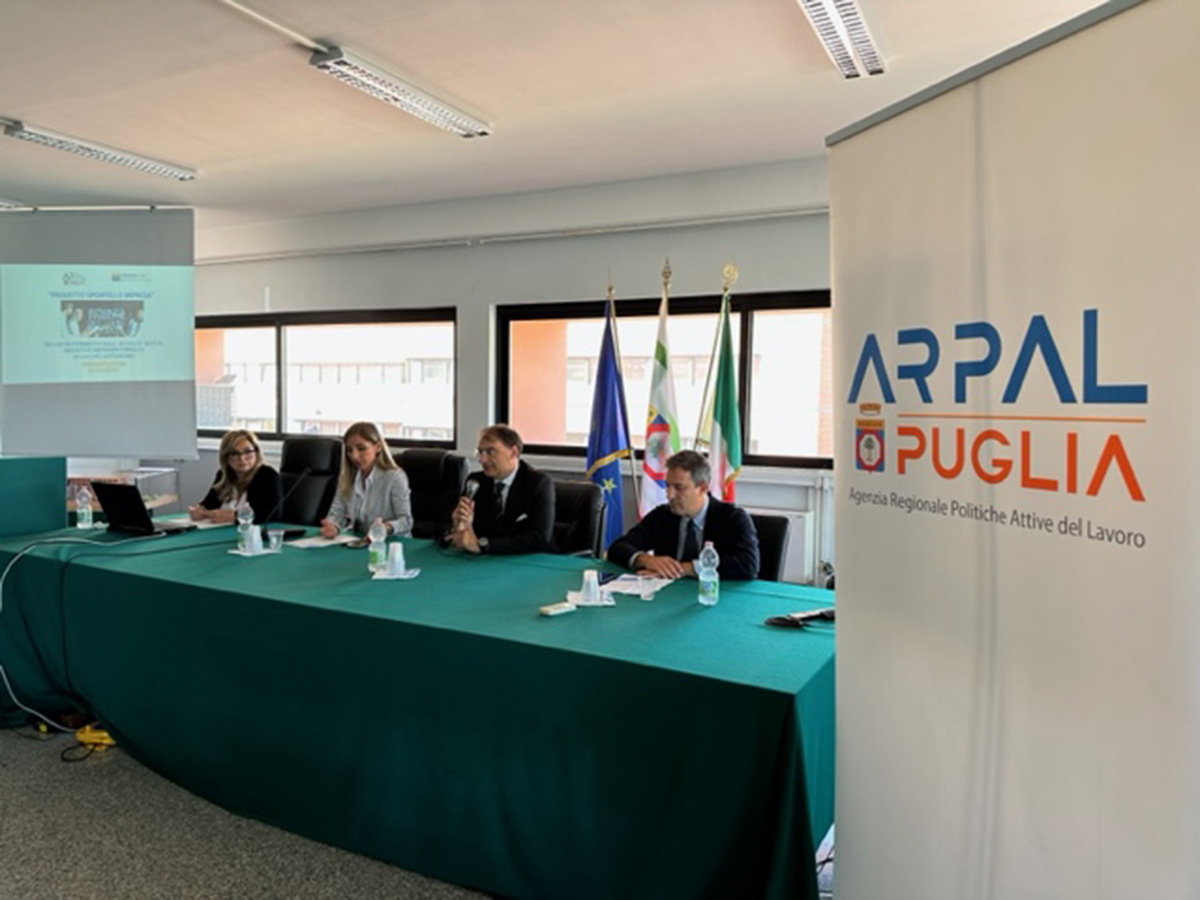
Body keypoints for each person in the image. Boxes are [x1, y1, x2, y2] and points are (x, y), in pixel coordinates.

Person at [608, 449, 760, 580]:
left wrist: (685, 569)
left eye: (679, 488)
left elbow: (748, 564)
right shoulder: (663, 515)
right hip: (669, 594)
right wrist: (644, 559)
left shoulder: (733, 517)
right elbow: (618, 548)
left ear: (702, 488)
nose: (669, 495)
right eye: (667, 486)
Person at [442, 424, 554, 554]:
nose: (482, 460)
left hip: (530, 560)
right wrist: (457, 526)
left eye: (490, 452)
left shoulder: (538, 483)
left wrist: (482, 545)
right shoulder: (476, 481)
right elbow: (448, 530)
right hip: (486, 560)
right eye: (480, 452)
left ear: (513, 452)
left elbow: (540, 538)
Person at [320, 421, 413, 538]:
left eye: (361, 448)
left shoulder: (394, 477)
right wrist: (333, 526)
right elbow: (337, 512)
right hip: (361, 540)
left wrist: (385, 528)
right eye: (349, 450)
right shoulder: (347, 477)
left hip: (393, 542)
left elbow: (406, 521)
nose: (354, 456)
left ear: (378, 447)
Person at [189, 429, 284, 525]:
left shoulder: (267, 475)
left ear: (256, 452)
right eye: (234, 453)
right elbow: (208, 504)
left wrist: (234, 517)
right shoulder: (223, 475)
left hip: (253, 532)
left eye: (247, 451)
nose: (242, 458)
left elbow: (274, 515)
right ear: (226, 458)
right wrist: (198, 510)